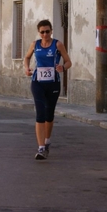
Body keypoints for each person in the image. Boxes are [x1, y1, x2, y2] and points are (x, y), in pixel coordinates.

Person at [24, 19, 72, 160]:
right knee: (40, 114)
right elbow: (26, 57)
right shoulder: (35, 44)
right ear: (39, 33)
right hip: (37, 82)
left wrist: (62, 67)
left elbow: (68, 61)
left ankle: (47, 140)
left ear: (51, 31)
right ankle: (41, 148)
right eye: (42, 32)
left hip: (53, 83)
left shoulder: (57, 44)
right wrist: (26, 68)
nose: (45, 34)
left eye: (47, 31)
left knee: (49, 114)